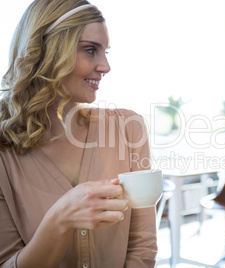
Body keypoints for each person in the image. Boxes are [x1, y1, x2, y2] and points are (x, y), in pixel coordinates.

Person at [0, 0, 157, 267]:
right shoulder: (4, 151)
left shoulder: (129, 127)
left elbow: (142, 248)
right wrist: (61, 217)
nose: (105, 66)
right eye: (90, 50)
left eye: (105, 52)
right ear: (46, 51)